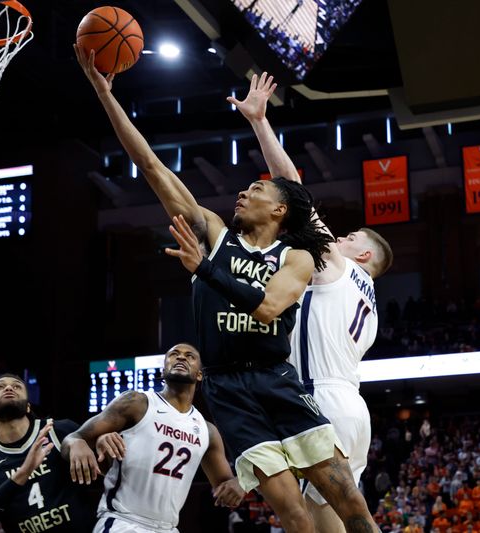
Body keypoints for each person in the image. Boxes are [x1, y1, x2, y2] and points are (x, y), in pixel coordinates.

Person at [74, 46, 380, 533]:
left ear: (279, 211)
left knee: (353, 508)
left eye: (257, 190)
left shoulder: (296, 256)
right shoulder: (214, 235)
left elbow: (270, 308)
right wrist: (105, 95)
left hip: (278, 379)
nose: (244, 191)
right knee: (293, 515)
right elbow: (151, 166)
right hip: (229, 388)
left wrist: (206, 272)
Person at [228, 71, 394, 533]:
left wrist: (260, 122)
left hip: (321, 399)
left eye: (349, 236)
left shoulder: (340, 267)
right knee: (335, 524)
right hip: (352, 407)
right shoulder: (370, 303)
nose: (337, 236)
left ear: (364, 255)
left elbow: (292, 188)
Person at [62, 343, 245, 532]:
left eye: (190, 356)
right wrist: (77, 443)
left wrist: (239, 484)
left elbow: (225, 484)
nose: (181, 357)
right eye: (174, 354)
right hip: (123, 522)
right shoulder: (136, 403)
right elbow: (73, 439)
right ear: (163, 369)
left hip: (168, 528)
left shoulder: (207, 431)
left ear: (200, 374)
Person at [0, 374, 97, 532]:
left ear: (28, 406)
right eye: (0, 387)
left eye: (17, 386)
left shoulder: (60, 430)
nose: (9, 388)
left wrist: (98, 439)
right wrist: (22, 473)